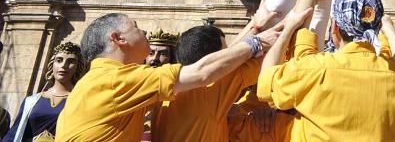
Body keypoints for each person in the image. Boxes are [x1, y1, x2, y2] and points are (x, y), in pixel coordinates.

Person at [257, 0, 395, 142]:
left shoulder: (313, 71)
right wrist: (387, 26)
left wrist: (289, 27)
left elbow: (266, 81)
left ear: (335, 28)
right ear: (377, 28)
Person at [54, 13, 281, 142]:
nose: (144, 33)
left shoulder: (99, 80)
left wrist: (254, 25)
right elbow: (202, 72)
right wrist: (257, 42)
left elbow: (215, 63)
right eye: (136, 27)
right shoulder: (114, 80)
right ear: (118, 38)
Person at [151, 24, 265, 142]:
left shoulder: (164, 87)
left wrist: (255, 27)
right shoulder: (211, 91)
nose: (231, 56)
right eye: (225, 54)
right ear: (213, 60)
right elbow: (268, 61)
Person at [3, 41, 84, 142]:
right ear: (52, 64)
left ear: (78, 66)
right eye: (59, 60)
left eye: (71, 61)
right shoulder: (31, 101)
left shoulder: (80, 101)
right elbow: (14, 134)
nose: (63, 65)